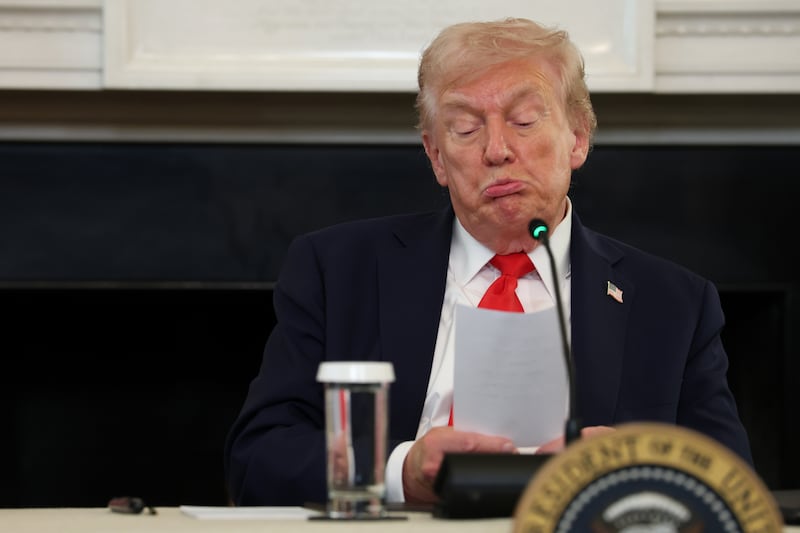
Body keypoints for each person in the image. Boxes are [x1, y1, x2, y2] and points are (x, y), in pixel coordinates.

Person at [224, 17, 751, 506]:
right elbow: (257, 458)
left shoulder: (673, 303)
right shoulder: (338, 270)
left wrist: (632, 470)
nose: (497, 150)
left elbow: (732, 485)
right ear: (436, 157)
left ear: (577, 138)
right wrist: (401, 472)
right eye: (465, 128)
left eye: (524, 120)